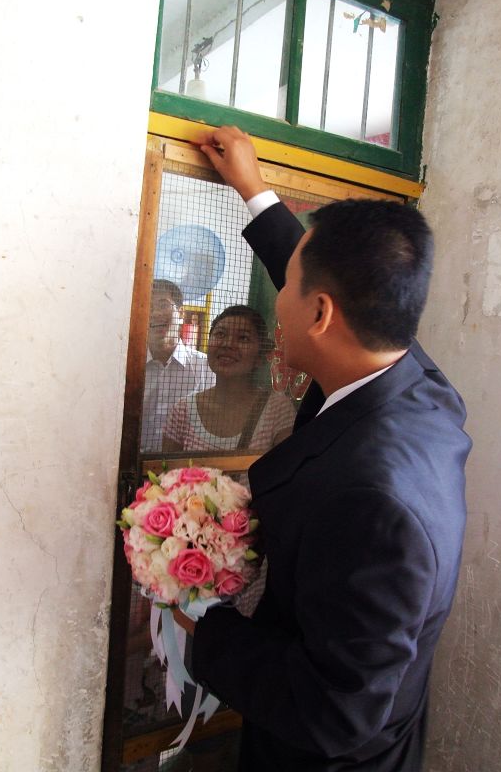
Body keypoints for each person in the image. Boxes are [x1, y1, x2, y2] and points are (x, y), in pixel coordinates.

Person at [172, 126, 472, 772]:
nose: (278, 299)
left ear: (321, 315)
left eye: (288, 286)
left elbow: (334, 711)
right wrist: (255, 192)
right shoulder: (422, 389)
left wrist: (206, 624)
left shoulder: (373, 499)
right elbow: (332, 278)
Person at [162, 305, 295, 455]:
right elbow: (165, 469)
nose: (228, 344)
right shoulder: (182, 411)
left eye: (243, 338)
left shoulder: (278, 410)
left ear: (260, 356)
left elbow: (287, 468)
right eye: (220, 334)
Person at [140, 279, 215, 453]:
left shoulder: (206, 368)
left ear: (181, 313)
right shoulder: (127, 367)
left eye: (163, 305)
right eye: (148, 306)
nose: (155, 313)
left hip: (186, 466)